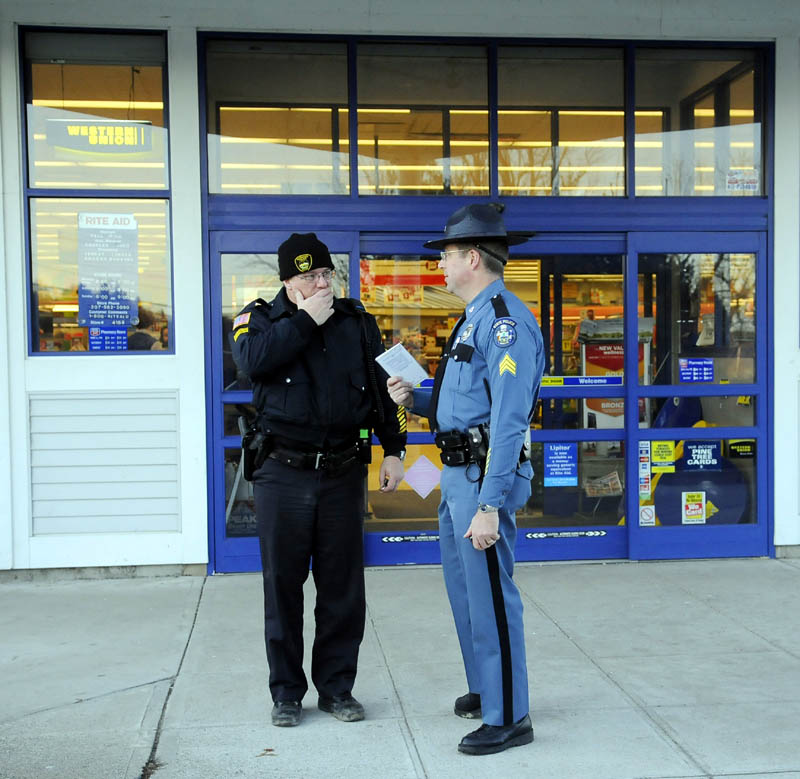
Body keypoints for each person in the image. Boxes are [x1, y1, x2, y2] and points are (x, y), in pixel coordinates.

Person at [387, 203, 545, 756]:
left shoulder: (504, 323)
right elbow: (465, 403)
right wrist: (418, 396)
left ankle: (510, 717)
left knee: (493, 597)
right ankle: (489, 687)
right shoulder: (473, 316)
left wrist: (490, 503)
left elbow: (506, 421)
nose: (442, 267)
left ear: (472, 257)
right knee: (467, 594)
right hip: (457, 477)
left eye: (448, 256)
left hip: (481, 480)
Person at [231, 232, 407, 728]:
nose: (321, 284)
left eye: (326, 274)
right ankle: (286, 693)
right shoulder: (260, 320)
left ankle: (336, 689)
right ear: (289, 282)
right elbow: (252, 364)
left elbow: (381, 391)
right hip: (282, 474)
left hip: (343, 472)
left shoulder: (356, 322)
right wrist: (308, 321)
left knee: (342, 590)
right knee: (282, 587)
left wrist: (394, 450)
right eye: (309, 277)